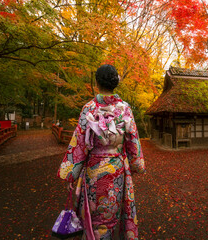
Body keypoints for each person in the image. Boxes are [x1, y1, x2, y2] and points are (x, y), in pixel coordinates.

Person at [57, 64, 146, 240]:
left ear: (97, 83)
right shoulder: (125, 109)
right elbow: (133, 141)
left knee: (94, 214)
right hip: (117, 171)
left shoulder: (88, 108)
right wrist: (136, 164)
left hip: (93, 172)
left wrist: (71, 174)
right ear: (116, 83)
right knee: (111, 213)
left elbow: (79, 144)